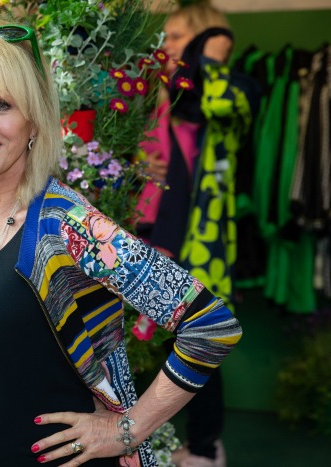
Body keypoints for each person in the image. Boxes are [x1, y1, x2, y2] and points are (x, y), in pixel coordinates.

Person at [0, 14, 242, 467]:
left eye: (2, 105)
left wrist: (129, 429)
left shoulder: (67, 225)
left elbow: (210, 325)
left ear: (34, 120)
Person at [134, 2, 256, 466]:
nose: (166, 47)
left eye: (179, 36)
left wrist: (212, 52)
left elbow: (222, 102)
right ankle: (167, 441)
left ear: (208, 39)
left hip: (201, 247)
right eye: (165, 38)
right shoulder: (158, 97)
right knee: (150, 347)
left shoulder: (232, 93)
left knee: (198, 345)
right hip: (154, 236)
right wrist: (138, 164)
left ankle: (205, 448)